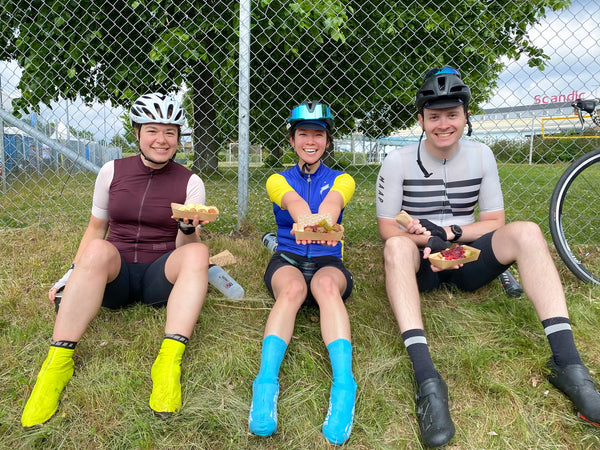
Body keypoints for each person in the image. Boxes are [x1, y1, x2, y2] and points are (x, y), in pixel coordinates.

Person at [376, 66, 600, 447]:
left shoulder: (483, 155)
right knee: (394, 245)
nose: (443, 124)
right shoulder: (397, 161)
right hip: (420, 260)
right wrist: (416, 236)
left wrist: (453, 233)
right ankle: (427, 379)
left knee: (527, 231)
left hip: (467, 256)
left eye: (452, 115)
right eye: (434, 117)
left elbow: (495, 221)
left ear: (465, 118)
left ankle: (568, 364)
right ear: (421, 121)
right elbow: (387, 227)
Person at [21, 93, 211, 427]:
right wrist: (70, 276)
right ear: (137, 133)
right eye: (152, 130)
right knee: (97, 250)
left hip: (159, 277)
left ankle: (168, 361)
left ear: (179, 139)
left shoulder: (191, 182)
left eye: (170, 132)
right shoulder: (112, 171)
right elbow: (96, 228)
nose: (161, 140)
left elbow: (186, 246)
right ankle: (57, 364)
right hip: (115, 275)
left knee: (198, 251)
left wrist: (187, 228)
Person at [248, 101, 357, 445]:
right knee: (292, 291)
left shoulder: (343, 179)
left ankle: (344, 383)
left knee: (326, 287)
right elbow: (293, 203)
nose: (311, 141)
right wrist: (304, 220)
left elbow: (332, 205)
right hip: (289, 259)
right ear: (292, 141)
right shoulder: (277, 179)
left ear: (328, 141)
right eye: (303, 134)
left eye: (318, 135)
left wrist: (323, 220)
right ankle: (265, 381)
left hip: (328, 261)